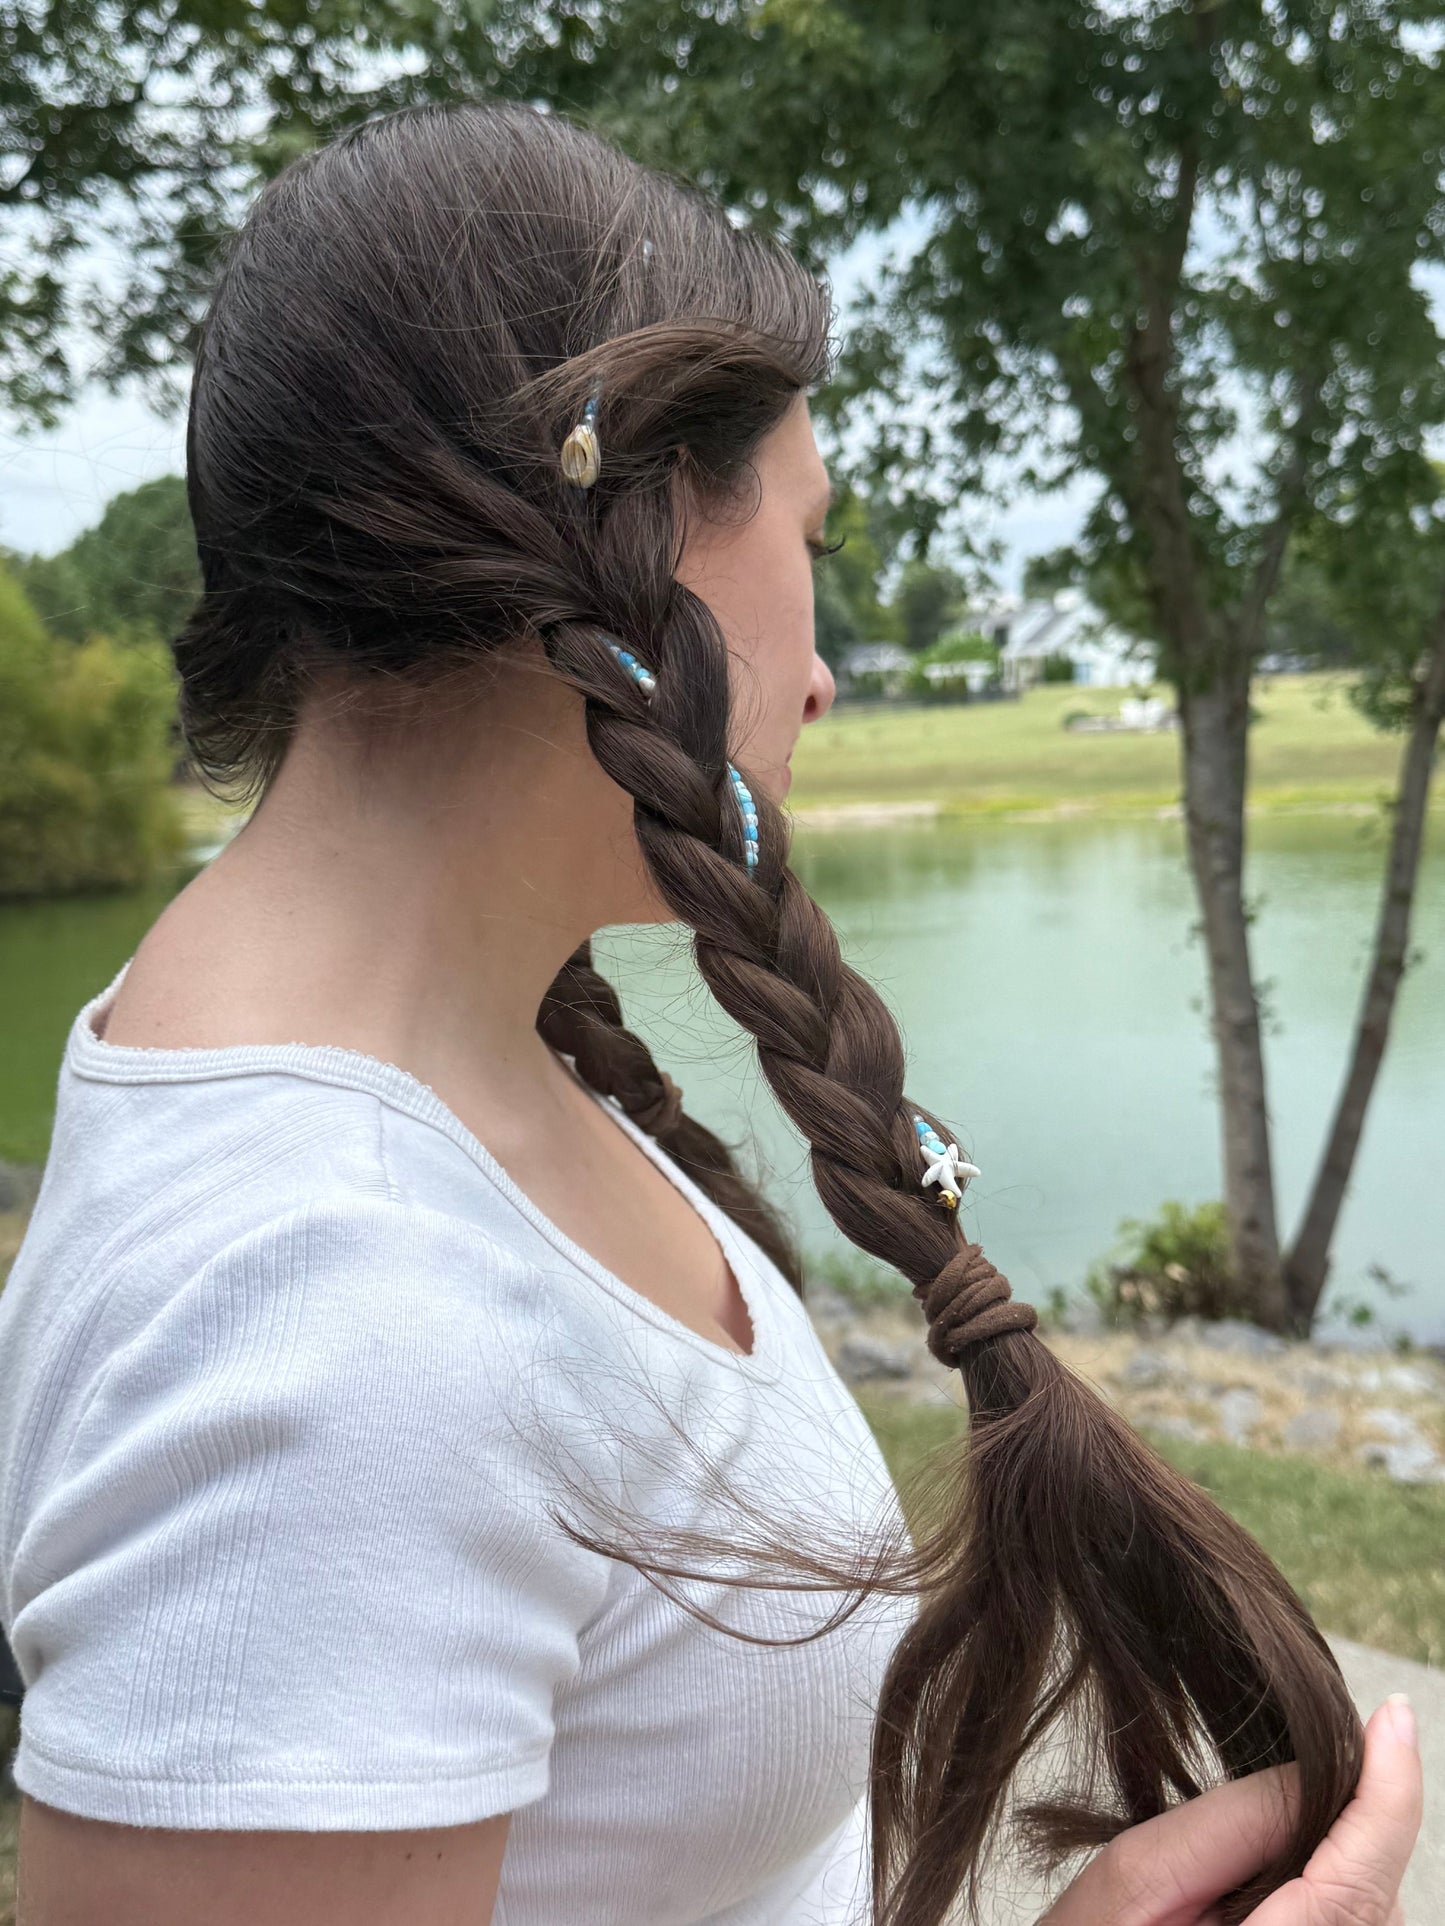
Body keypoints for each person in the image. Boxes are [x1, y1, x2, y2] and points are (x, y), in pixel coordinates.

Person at [0, 101, 1422, 1926]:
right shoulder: (320, 1316)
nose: (822, 673)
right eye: (811, 536)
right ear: (646, 524)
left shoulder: (417, 1065)